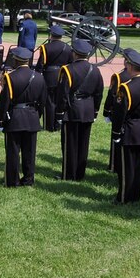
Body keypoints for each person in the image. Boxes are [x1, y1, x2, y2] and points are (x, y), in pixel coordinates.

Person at [0, 47, 45, 187]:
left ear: (16, 60)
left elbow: (4, 102)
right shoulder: (39, 77)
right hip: (32, 117)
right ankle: (29, 179)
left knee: (13, 151)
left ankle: (12, 181)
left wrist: (0, 121)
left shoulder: (10, 78)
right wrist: (36, 115)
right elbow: (43, 101)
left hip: (15, 118)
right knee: (30, 151)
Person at [111, 49, 140, 204]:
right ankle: (135, 196)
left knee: (126, 168)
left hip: (129, 130)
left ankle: (123, 197)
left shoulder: (126, 88)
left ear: (130, 66)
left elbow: (120, 113)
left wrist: (116, 132)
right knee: (138, 167)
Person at [55, 39, 104, 181]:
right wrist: (95, 111)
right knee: (83, 144)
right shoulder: (95, 69)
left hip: (72, 110)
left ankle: (68, 174)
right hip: (88, 109)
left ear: (74, 53)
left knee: (70, 144)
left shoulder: (68, 70)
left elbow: (63, 94)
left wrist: (59, 112)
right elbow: (99, 93)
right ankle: (80, 174)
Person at [34, 25, 72, 132]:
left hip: (49, 76)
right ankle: (58, 124)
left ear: (51, 35)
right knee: (60, 101)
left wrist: (37, 76)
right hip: (63, 76)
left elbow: (40, 65)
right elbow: (71, 64)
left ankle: (49, 126)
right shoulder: (68, 48)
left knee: (49, 102)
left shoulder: (46, 47)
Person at [102, 56, 132, 172]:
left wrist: (107, 112)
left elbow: (112, 95)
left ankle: (114, 165)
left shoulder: (119, 77)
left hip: (119, 112)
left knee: (116, 139)